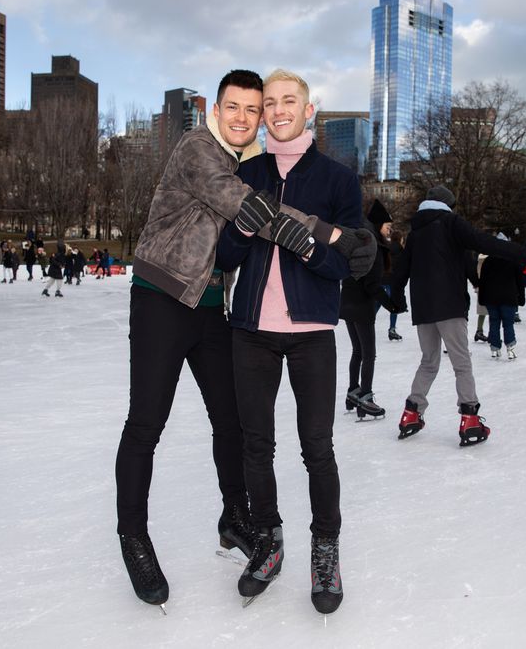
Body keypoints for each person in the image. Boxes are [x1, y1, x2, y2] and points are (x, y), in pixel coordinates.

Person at [116, 69, 371, 611]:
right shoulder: (198, 149)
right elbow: (255, 212)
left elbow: (243, 239)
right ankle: (134, 538)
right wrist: (333, 235)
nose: (245, 117)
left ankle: (236, 516)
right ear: (216, 108)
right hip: (163, 295)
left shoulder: (251, 165)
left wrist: (351, 243)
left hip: (212, 305)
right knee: (146, 424)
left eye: (253, 110)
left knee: (232, 424)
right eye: (236, 107)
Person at [215, 69, 371, 614]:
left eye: (290, 101)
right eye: (271, 102)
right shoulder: (246, 172)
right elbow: (223, 259)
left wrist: (307, 247)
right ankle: (268, 539)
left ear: (309, 110)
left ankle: (325, 549)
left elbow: (348, 262)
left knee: (317, 448)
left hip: (311, 336)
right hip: (252, 332)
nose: (279, 110)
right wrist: (238, 228)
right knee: (255, 445)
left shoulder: (338, 180)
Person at [390, 185, 526, 447]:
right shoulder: (451, 223)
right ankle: (470, 418)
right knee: (461, 363)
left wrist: (398, 299)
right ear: (447, 205)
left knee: (429, 361)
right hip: (450, 306)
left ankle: (411, 413)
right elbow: (486, 242)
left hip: (424, 308)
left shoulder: (416, 232)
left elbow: (400, 271)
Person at [340, 199, 402, 419]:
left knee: (358, 351)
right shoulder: (372, 244)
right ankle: (365, 397)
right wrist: (392, 304)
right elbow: (372, 285)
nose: (390, 229)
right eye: (387, 225)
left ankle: (353, 391)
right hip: (360, 304)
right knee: (369, 354)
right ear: (378, 224)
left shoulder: (361, 238)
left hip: (347, 302)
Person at [479, 233, 526, 360]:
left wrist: (481, 298)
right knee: (508, 323)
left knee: (494, 322)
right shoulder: (513, 259)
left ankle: (494, 349)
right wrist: (521, 297)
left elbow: (482, 281)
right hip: (508, 297)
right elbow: (519, 281)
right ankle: (510, 349)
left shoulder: (488, 261)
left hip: (491, 298)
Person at [381, 229, 405, 340]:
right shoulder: (401, 251)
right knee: (393, 306)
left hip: (382, 280)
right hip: (392, 282)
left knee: (377, 303)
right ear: (400, 239)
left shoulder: (386, 248)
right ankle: (392, 329)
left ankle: (367, 323)